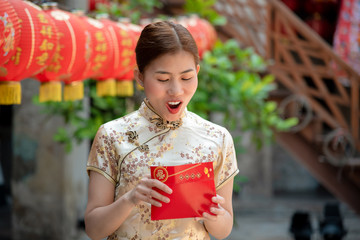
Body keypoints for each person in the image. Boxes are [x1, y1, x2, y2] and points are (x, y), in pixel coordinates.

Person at [84, 21, 239, 240]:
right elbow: (94, 229)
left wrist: (213, 215)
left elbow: (224, 229)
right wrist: (130, 199)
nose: (176, 90)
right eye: (163, 79)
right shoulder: (112, 135)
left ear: (197, 72)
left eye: (186, 78)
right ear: (140, 77)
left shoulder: (217, 138)